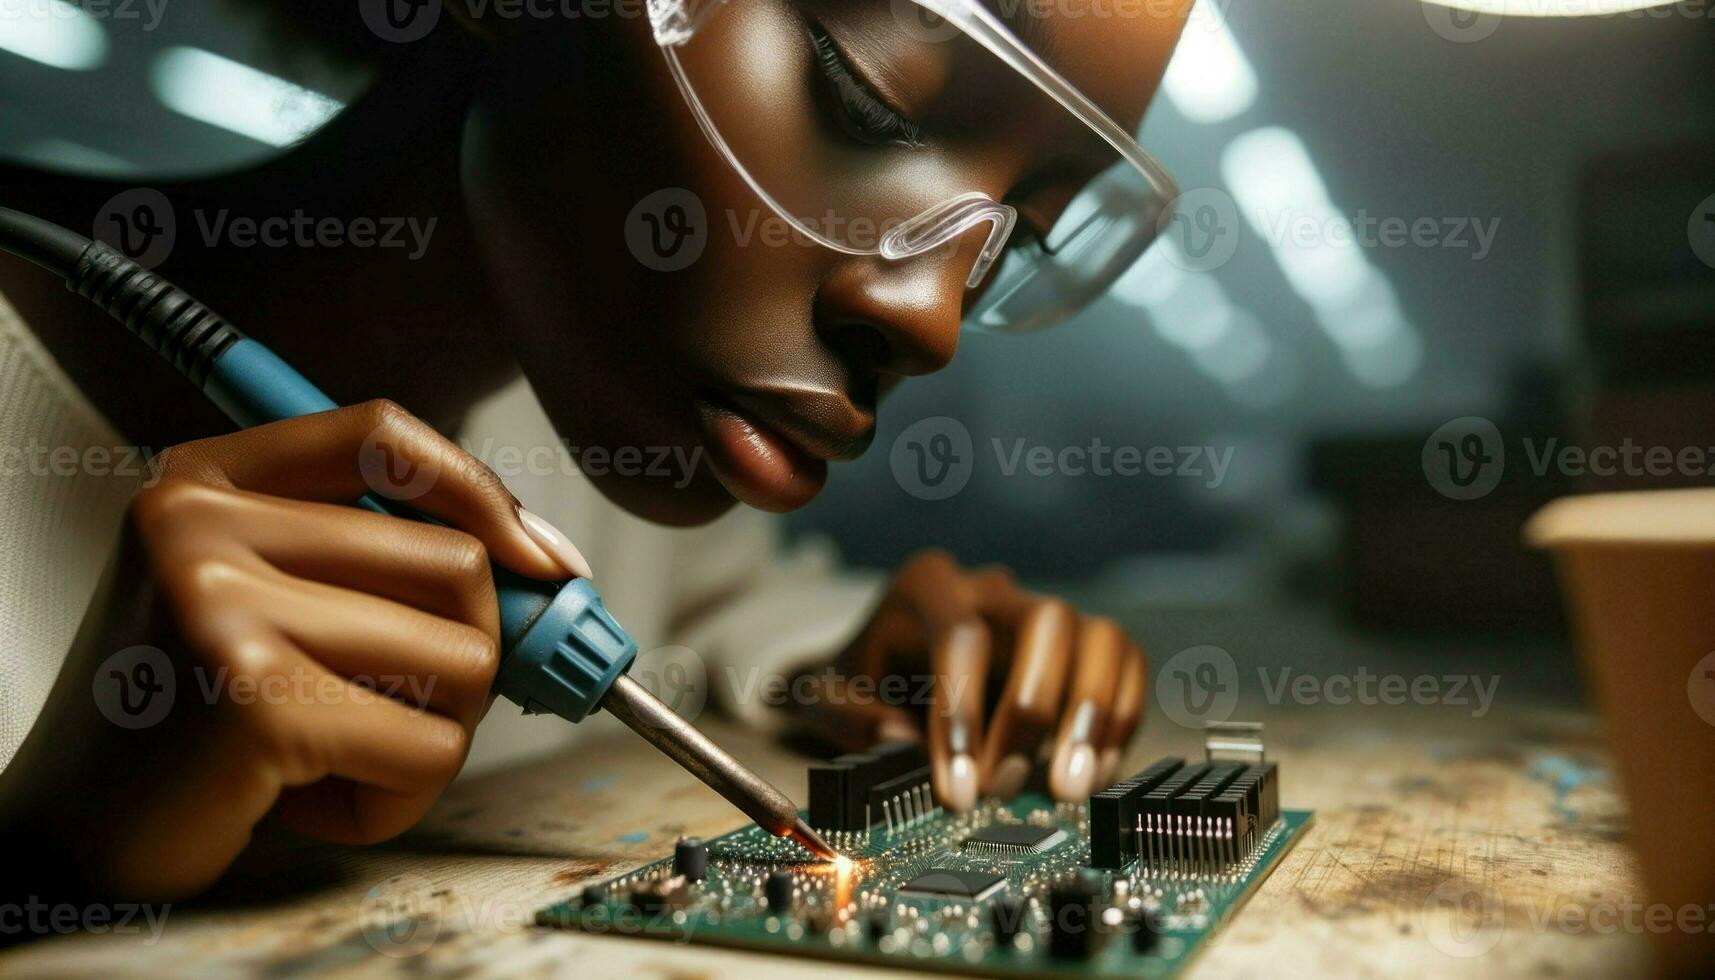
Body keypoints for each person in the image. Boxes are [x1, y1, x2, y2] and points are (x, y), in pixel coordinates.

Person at [0, 0, 1186, 900]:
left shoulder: (574, 439)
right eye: (865, 95)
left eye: (1016, 239)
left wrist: (853, 658)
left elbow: (725, 609)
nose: (929, 319)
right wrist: (48, 857)